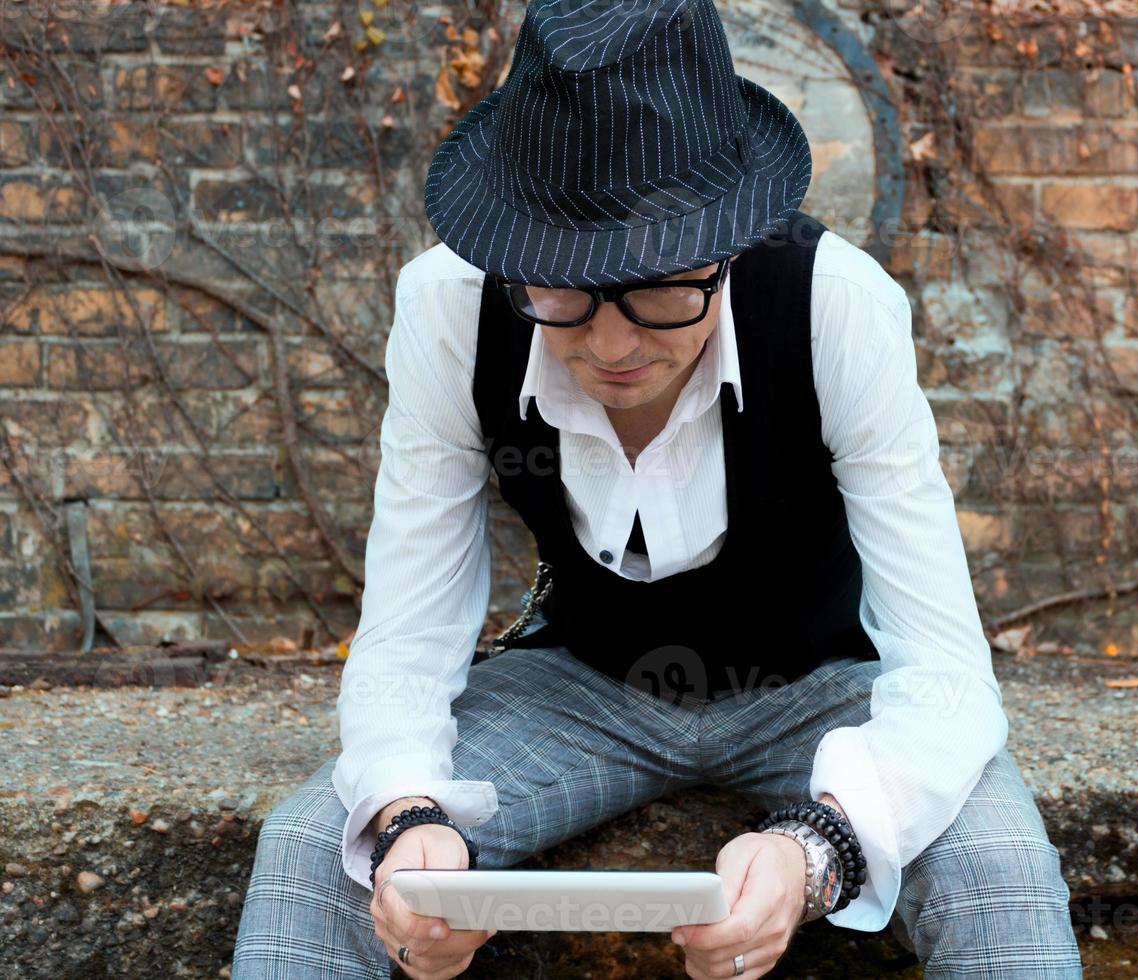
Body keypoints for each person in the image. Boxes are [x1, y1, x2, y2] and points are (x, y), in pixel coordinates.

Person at [232, 1, 1081, 977]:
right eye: (561, 288)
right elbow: (408, 630)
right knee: (314, 855)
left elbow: (944, 667)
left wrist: (821, 844)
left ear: (730, 237)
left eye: (663, 285)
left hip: (818, 690)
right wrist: (407, 816)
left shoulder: (837, 305)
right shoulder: (450, 306)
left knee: (1004, 873)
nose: (612, 342)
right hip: (583, 685)